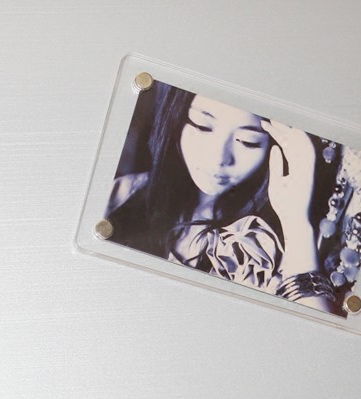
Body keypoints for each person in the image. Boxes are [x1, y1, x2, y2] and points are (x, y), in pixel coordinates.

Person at [105, 82, 337, 311]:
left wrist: (296, 220)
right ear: (176, 117)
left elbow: (318, 329)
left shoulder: (263, 245)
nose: (217, 158)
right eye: (202, 126)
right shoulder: (122, 193)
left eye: (248, 141)